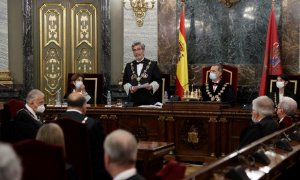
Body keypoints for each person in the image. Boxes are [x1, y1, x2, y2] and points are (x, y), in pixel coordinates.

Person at [60, 92, 110, 180]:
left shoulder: (55, 122)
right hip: (88, 172)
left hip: (62, 171)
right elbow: (100, 152)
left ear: (67, 105)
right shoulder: (92, 124)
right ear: (84, 106)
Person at [122, 41, 162, 106]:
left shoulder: (152, 65)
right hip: (133, 101)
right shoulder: (128, 66)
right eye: (134, 50)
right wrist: (130, 88)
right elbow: (125, 82)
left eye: (138, 49)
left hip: (148, 100)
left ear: (143, 50)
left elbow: (158, 80)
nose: (136, 52)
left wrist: (151, 86)